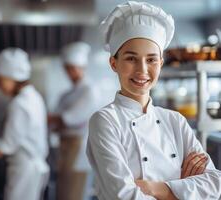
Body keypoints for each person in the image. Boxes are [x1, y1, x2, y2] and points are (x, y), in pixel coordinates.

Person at [86, 1, 221, 200]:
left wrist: (156, 188)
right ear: (114, 63)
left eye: (151, 60)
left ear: (161, 63)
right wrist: (181, 189)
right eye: (131, 58)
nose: (142, 70)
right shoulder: (105, 121)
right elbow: (123, 195)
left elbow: (215, 184)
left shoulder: (175, 121)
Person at [0, 48, 49, 200]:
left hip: (25, 170)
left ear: (13, 77)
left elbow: (7, 146)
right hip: (31, 168)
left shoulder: (20, 103)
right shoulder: (33, 96)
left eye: (0, 80)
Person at [48, 42, 100, 200]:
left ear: (81, 67)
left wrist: (46, 118)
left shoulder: (89, 90)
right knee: (63, 190)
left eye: (71, 68)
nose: (69, 73)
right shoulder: (69, 93)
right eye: (67, 69)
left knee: (73, 192)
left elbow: (69, 118)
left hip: (78, 146)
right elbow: (58, 119)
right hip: (66, 144)